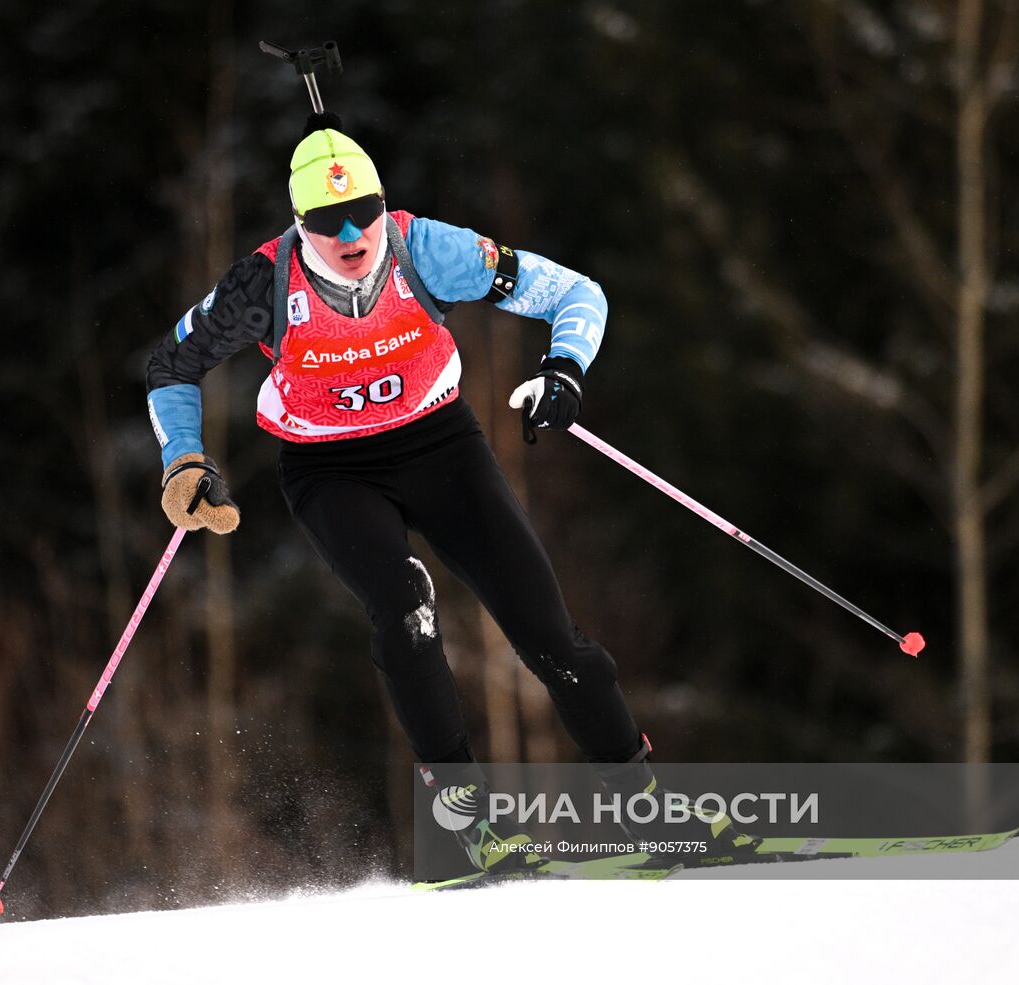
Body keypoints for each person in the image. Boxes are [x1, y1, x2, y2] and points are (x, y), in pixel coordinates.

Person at [145, 117, 718, 874]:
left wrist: (565, 368)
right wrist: (183, 460)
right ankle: (472, 832)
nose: (351, 234)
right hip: (330, 469)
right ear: (297, 222)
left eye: (365, 213)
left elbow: (576, 293)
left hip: (440, 446)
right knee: (405, 606)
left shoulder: (429, 250)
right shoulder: (261, 284)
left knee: (549, 634)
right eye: (326, 221)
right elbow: (169, 365)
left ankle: (645, 809)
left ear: (386, 204)